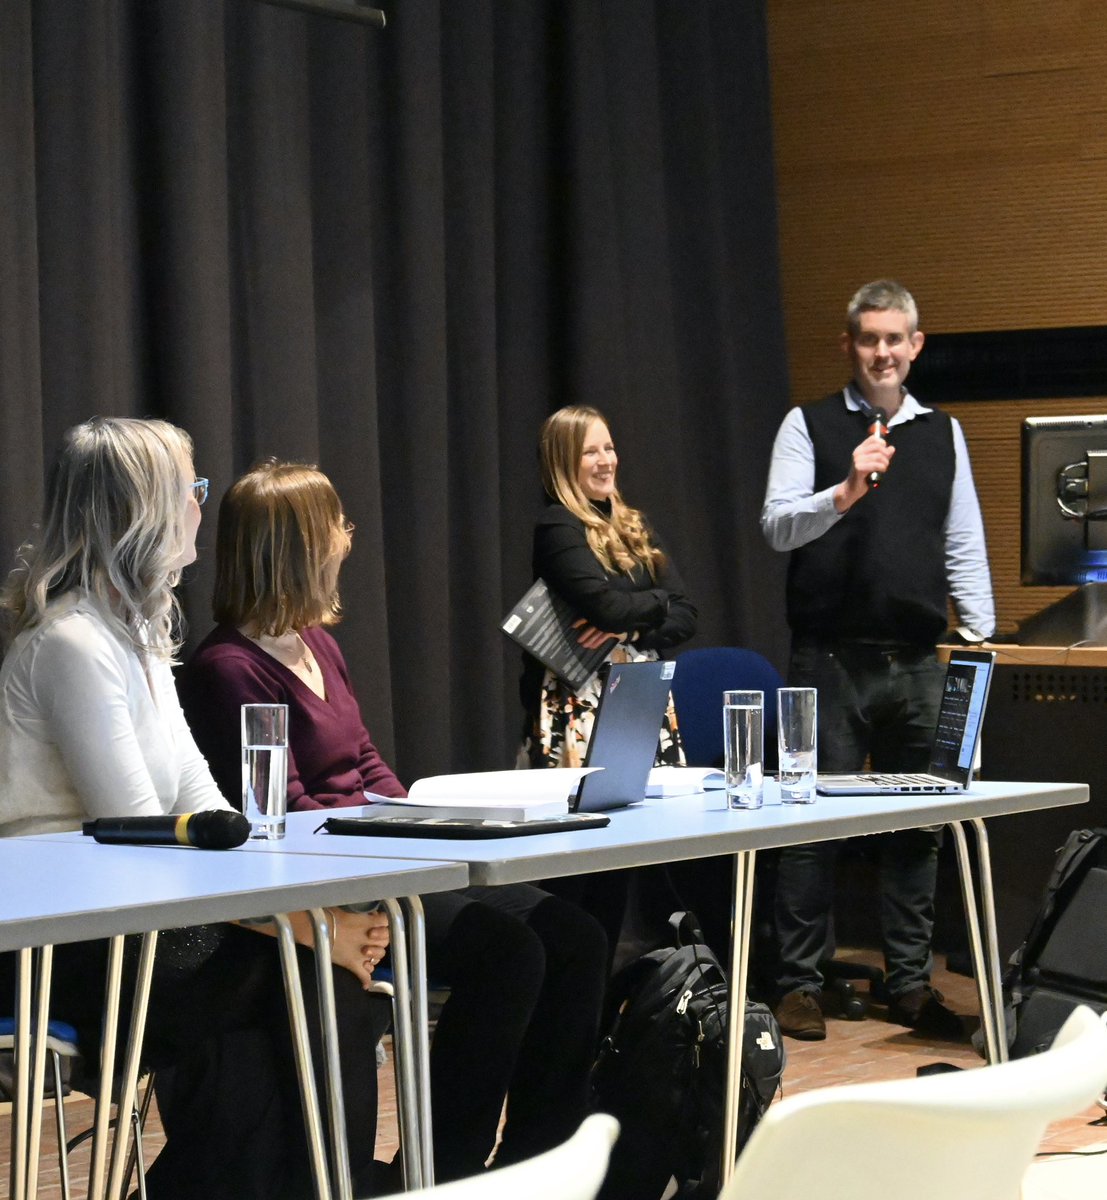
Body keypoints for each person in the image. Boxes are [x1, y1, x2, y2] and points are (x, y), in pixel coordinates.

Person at [177, 460, 608, 1184]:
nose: (348, 539)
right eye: (335, 526)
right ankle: (443, 1174)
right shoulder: (227, 668)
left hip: (385, 855)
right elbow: (286, 813)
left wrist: (426, 821)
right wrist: (397, 849)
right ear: (296, 546)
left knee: (574, 936)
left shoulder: (319, 644)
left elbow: (366, 762)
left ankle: (542, 1160)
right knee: (508, 954)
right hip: (337, 877)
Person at [0, 417, 391, 1200]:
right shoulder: (71, 644)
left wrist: (306, 923)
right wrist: (312, 930)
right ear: (144, 508)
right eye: (192, 490)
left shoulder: (138, 638)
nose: (200, 508)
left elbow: (206, 804)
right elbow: (146, 843)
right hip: (74, 948)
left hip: (145, 934)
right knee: (311, 982)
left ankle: (319, 1183)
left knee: (310, 992)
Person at [760, 280, 996, 1042]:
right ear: (848, 345)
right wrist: (845, 489)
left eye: (896, 339)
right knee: (808, 825)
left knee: (916, 828)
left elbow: (961, 540)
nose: (883, 352)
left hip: (917, 659)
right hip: (827, 657)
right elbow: (775, 528)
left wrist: (982, 635)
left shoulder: (942, 432)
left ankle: (908, 983)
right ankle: (798, 981)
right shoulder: (809, 424)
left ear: (915, 346)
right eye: (869, 339)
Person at [521, 404, 698, 769]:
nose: (606, 461)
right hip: (583, 700)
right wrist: (660, 600)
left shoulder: (634, 524)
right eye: (590, 452)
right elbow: (607, 609)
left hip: (642, 694)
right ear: (563, 462)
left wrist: (629, 634)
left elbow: (687, 616)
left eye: (609, 448)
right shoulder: (559, 527)